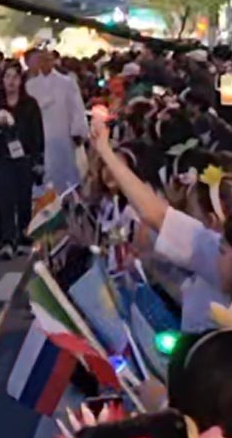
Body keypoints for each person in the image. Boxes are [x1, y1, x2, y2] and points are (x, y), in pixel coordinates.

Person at [90, 114, 230, 331]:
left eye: (224, 249)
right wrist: (104, 151)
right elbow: (156, 214)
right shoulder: (210, 250)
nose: (219, 252)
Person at [0, 63, 44, 259]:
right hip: (2, 159)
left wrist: (38, 159)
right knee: (4, 200)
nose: (11, 81)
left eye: (15, 77)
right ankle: (6, 240)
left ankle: (24, 236)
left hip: (25, 158)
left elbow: (37, 133)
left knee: (24, 199)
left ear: (21, 81)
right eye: (7, 77)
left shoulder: (30, 104)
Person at [27, 47, 90, 191]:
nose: (45, 63)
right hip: (41, 135)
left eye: (48, 60)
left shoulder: (66, 82)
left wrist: (78, 130)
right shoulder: (30, 86)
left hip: (63, 133)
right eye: (42, 60)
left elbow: (76, 107)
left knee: (65, 170)